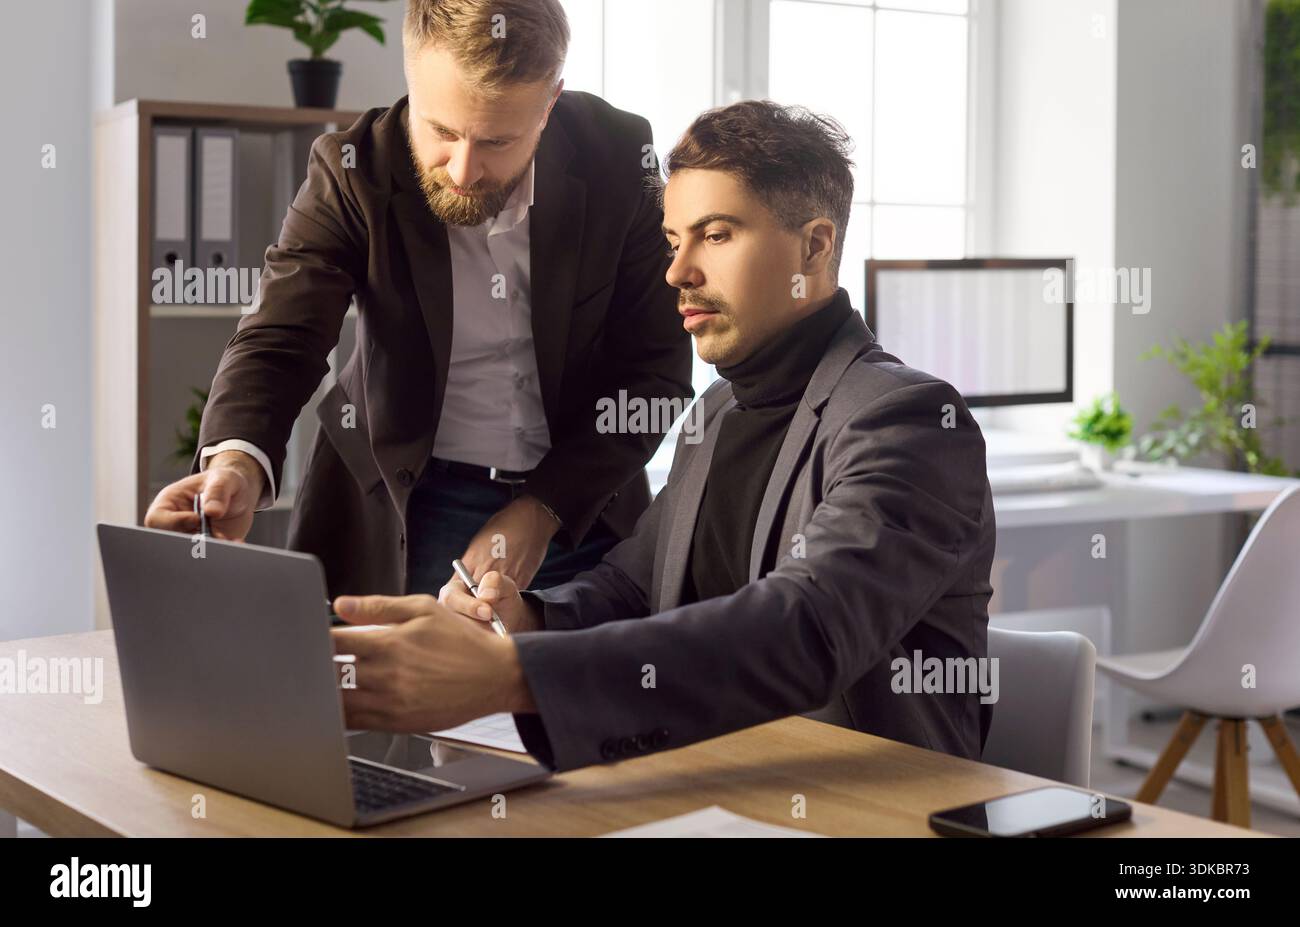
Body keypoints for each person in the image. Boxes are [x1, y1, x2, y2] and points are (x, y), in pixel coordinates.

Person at [326, 100, 997, 773]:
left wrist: (515, 672)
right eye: (674, 241)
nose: (677, 272)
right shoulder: (717, 411)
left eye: (717, 234)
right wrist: (526, 617)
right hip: (714, 788)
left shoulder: (908, 421)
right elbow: (631, 588)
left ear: (815, 246)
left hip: (867, 807)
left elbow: (806, 627)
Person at [144, 0, 692, 594]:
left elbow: (654, 374)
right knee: (373, 686)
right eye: (442, 131)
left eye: (497, 141)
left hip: (580, 505)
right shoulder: (354, 170)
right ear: (411, 81)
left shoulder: (617, 154)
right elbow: (283, 334)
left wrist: (544, 508)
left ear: (549, 104)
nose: (462, 169)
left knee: (568, 686)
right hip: (404, 504)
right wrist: (237, 463)